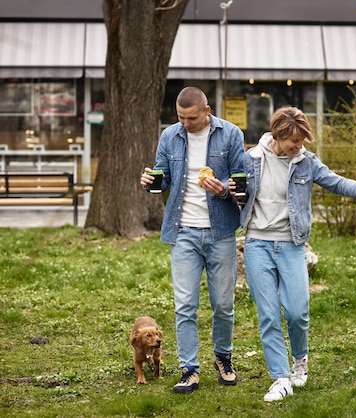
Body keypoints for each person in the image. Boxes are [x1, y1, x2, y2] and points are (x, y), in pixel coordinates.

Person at [238, 106, 356, 402]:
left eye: (302, 140)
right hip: (257, 243)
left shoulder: (306, 162)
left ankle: (300, 361)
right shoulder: (251, 159)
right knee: (268, 314)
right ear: (279, 135)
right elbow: (234, 191)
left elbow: (336, 181)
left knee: (297, 312)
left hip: (292, 244)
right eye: (294, 141)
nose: (300, 146)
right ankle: (280, 378)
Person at [140, 86, 244, 394]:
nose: (186, 124)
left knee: (223, 304)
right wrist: (151, 183)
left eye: (192, 118)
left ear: (207, 112)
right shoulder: (169, 136)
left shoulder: (231, 134)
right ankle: (189, 369)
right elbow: (163, 179)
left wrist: (223, 188)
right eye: (181, 117)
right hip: (183, 231)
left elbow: (241, 178)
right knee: (185, 305)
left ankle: (223, 358)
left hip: (221, 231)